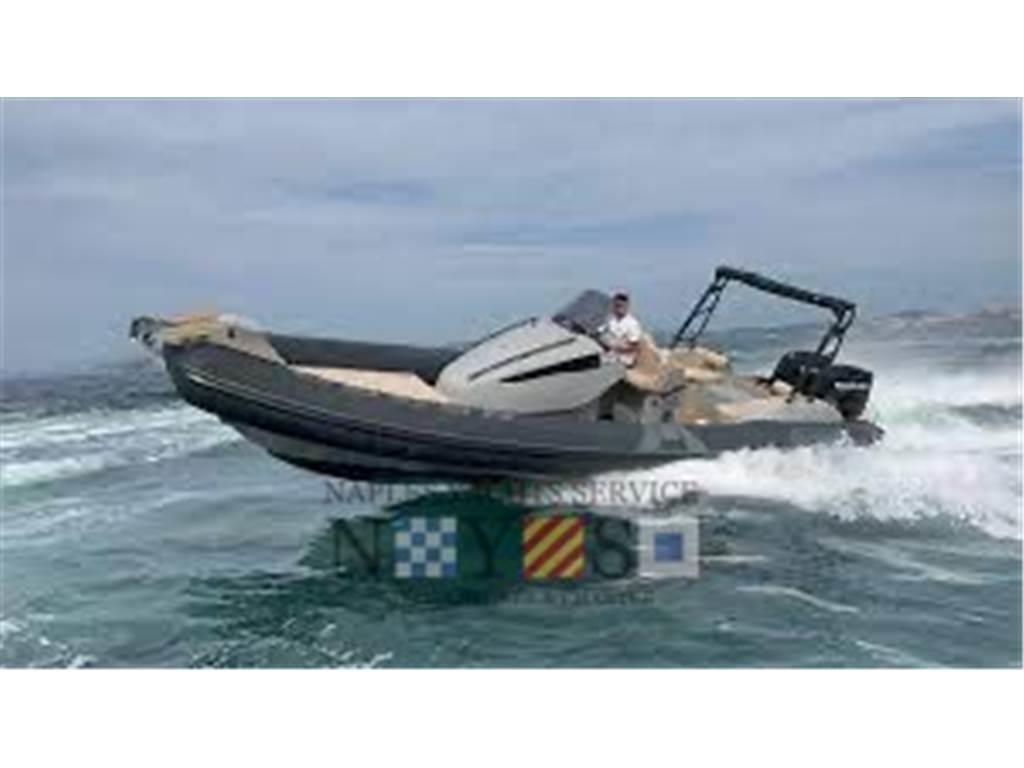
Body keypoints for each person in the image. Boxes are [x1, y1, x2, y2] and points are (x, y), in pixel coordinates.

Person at [599, 291, 644, 367]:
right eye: (617, 305)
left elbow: (634, 345)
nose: (619, 307)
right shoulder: (608, 320)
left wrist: (617, 348)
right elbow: (600, 333)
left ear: (627, 306)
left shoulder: (632, 323)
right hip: (608, 357)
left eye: (622, 305)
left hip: (624, 360)